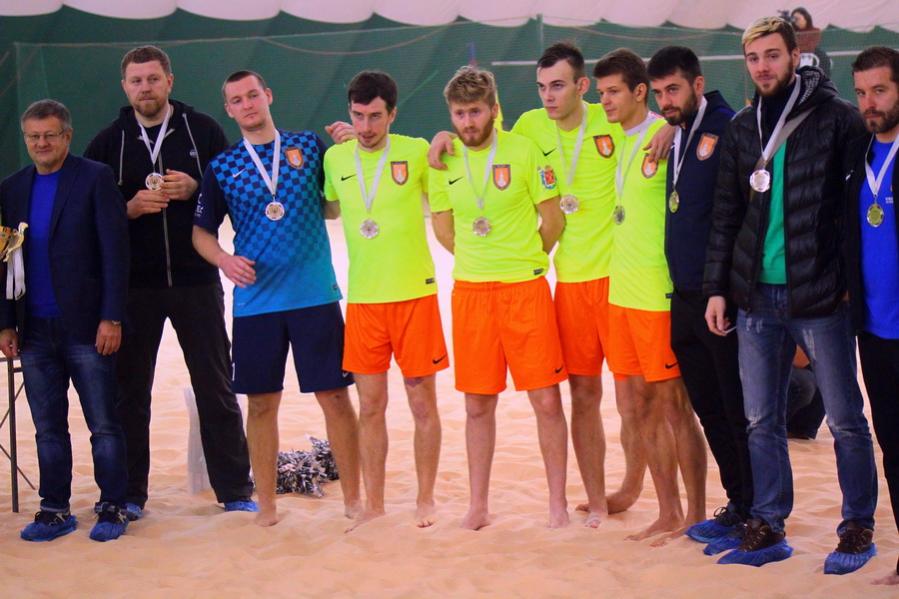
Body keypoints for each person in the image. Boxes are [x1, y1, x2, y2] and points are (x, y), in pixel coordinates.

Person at [425, 43, 678, 524]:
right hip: (569, 282)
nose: (548, 96)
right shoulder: (528, 128)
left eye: (558, 85)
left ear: (582, 86)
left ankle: (630, 486)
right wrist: (442, 134)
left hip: (620, 276)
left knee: (634, 399)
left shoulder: (609, 116)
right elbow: (478, 130)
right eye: (541, 87)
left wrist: (669, 124)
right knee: (583, 396)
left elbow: (655, 118)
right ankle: (598, 499)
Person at [704, 16, 877, 572]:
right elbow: (726, 216)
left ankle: (857, 527)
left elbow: (857, 208)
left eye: (772, 55)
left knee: (846, 420)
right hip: (756, 299)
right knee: (761, 420)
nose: (762, 67)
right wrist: (718, 289)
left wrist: (847, 280)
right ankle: (769, 525)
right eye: (753, 58)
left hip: (820, 296)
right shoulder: (743, 127)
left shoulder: (837, 119)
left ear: (795, 57)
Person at [83, 45, 254, 520]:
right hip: (134, 287)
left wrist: (199, 189)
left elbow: (236, 196)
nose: (146, 88)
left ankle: (234, 488)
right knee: (130, 393)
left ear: (169, 82)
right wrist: (129, 208)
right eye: (137, 81)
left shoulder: (204, 130)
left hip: (196, 279)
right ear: (125, 87)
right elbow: (90, 217)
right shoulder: (108, 142)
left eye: (153, 79)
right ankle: (130, 494)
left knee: (215, 385)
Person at [192, 70, 361, 527]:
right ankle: (266, 506)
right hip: (257, 303)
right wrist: (224, 260)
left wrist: (350, 155)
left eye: (253, 95)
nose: (247, 104)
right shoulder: (223, 166)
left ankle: (354, 500)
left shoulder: (308, 146)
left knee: (335, 397)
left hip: (313, 295)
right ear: (228, 110)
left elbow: (333, 205)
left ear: (268, 95)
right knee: (262, 403)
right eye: (237, 100)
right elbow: (201, 233)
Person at [428, 66, 568, 530]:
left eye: (475, 111)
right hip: (471, 292)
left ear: (493, 110)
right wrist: (479, 259)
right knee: (477, 405)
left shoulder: (524, 151)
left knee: (546, 401)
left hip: (525, 289)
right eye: (459, 114)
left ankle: (557, 505)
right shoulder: (442, 161)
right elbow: (443, 229)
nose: (467, 122)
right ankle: (478, 506)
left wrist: (526, 257)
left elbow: (553, 221)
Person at [0, 99, 130, 542]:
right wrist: (5, 324)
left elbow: (116, 253)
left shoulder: (95, 178)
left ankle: (113, 506)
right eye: (33, 137)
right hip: (34, 331)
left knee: (104, 425)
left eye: (50, 135)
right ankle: (55, 510)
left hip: (87, 327)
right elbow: (3, 262)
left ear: (67, 136)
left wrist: (112, 317)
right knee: (48, 430)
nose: (41, 143)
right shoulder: (11, 189)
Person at [323, 71, 446, 529]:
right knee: (371, 406)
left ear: (393, 114)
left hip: (415, 295)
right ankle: (373, 503)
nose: (366, 127)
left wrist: (446, 136)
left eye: (376, 116)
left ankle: (426, 499)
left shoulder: (415, 151)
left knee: (422, 404)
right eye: (358, 116)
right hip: (364, 301)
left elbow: (456, 171)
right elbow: (328, 206)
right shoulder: (335, 157)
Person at [594, 48, 705, 542]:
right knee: (636, 409)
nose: (605, 101)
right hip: (620, 293)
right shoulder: (617, 140)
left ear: (640, 92)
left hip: (657, 294)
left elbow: (710, 126)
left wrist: (674, 128)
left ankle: (696, 513)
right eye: (601, 93)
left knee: (674, 407)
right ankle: (667, 511)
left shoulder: (670, 134)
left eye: (613, 92)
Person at [647, 46, 751, 552]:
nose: (666, 100)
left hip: (718, 299)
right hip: (682, 296)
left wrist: (722, 290)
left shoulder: (728, 127)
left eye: (674, 89)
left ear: (697, 84)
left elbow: (737, 216)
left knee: (736, 410)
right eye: (660, 92)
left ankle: (758, 510)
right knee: (708, 409)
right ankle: (737, 505)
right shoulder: (679, 131)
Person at [845, 46, 899, 585]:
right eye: (861, 92)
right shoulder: (857, 152)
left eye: (880, 90)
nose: (869, 103)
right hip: (875, 330)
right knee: (894, 449)